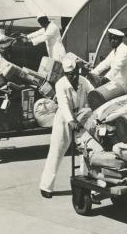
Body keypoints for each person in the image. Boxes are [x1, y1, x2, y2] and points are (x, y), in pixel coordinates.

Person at [39, 53, 93, 198]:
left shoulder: (84, 81)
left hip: (80, 119)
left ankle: (87, 185)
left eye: (75, 74)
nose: (73, 78)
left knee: (87, 149)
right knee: (56, 151)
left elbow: (94, 94)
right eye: (70, 75)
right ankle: (46, 186)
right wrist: (71, 120)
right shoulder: (60, 84)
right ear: (65, 74)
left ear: (78, 71)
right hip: (64, 119)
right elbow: (63, 104)